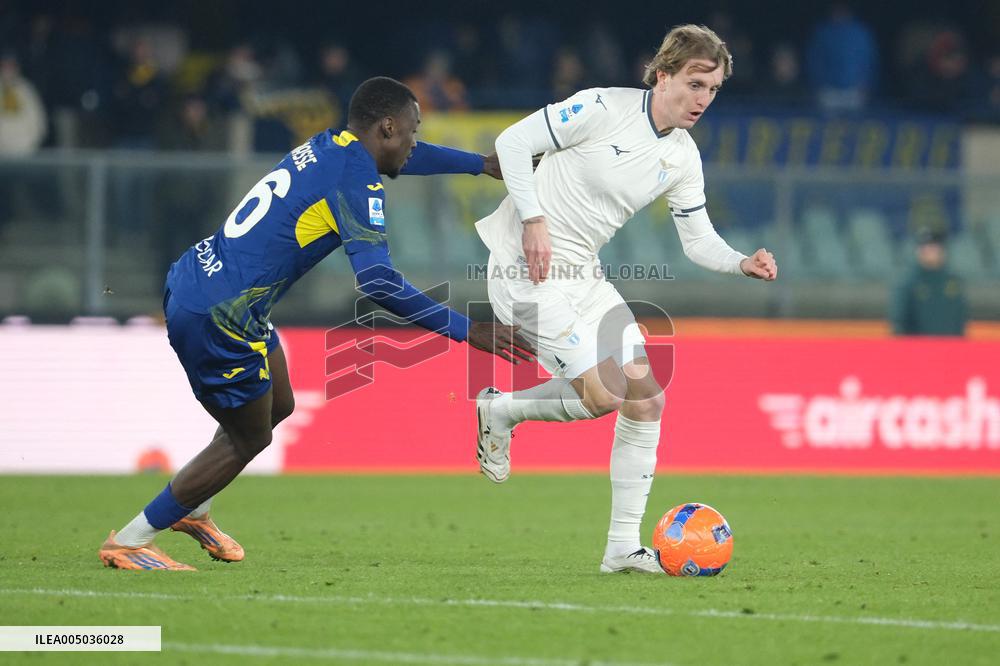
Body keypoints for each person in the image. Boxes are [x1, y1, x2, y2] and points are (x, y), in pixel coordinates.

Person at [99, 76, 534, 570]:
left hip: (201, 276)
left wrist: (477, 165)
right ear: (388, 127)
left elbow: (410, 157)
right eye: (411, 133)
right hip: (221, 314)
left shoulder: (331, 145)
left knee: (277, 403)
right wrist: (466, 329)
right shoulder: (358, 180)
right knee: (250, 438)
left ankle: (193, 505)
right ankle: (134, 538)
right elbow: (378, 282)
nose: (414, 145)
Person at [473, 25, 777, 574]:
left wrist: (739, 261)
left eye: (713, 89)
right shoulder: (600, 107)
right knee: (606, 392)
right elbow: (514, 143)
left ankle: (621, 550)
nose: (703, 99)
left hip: (584, 276)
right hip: (526, 270)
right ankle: (500, 409)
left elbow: (696, 239)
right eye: (695, 83)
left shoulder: (683, 157)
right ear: (663, 75)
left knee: (645, 399)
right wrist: (534, 219)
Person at [889, 229, 967, 336]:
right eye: (925, 247)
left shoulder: (954, 282)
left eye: (934, 247)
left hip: (949, 347)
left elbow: (960, 319)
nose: (930, 251)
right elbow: (899, 321)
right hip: (917, 348)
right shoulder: (907, 283)